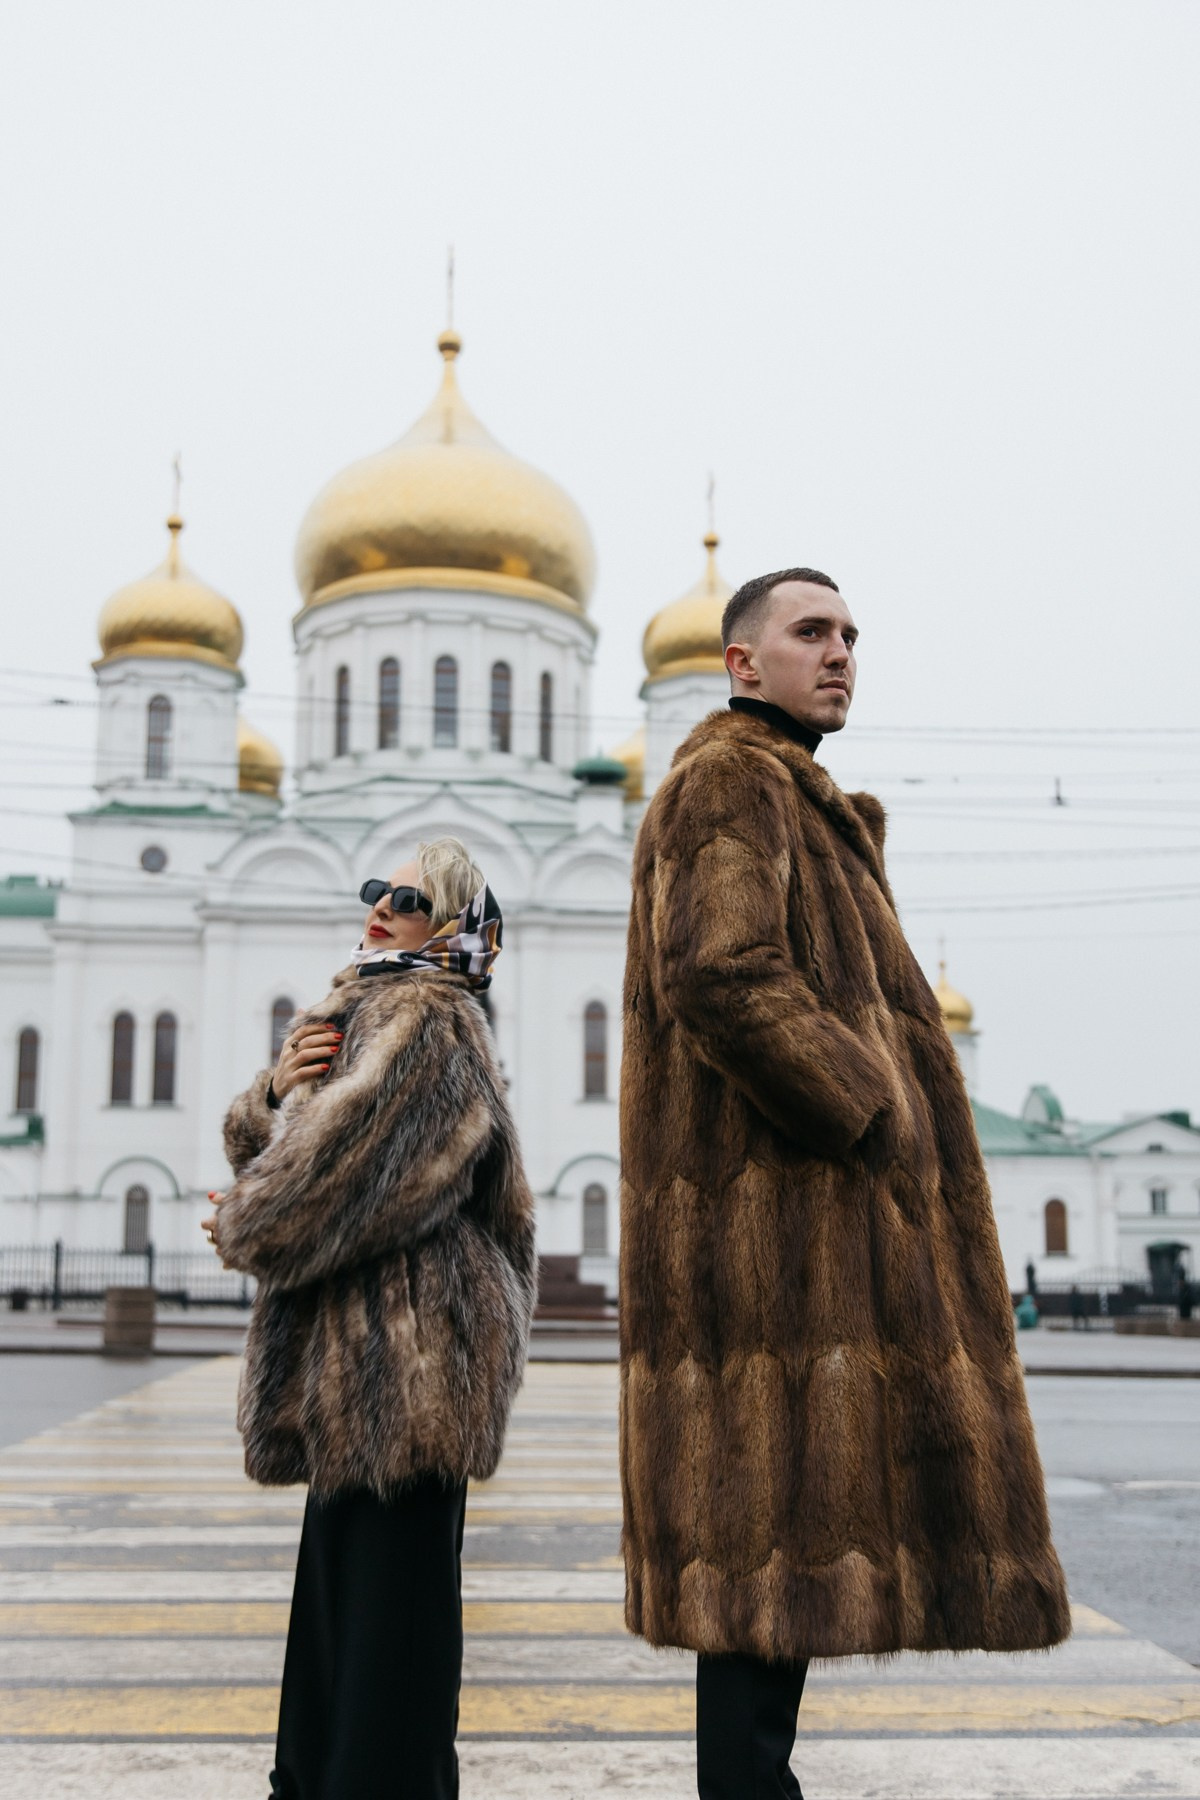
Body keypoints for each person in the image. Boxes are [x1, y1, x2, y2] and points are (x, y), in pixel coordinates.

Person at [619, 569, 1070, 1800]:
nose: (842, 654)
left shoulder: (794, 797)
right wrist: (870, 1108)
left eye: (852, 636)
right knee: (762, 1598)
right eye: (811, 632)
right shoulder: (732, 781)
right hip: (782, 1252)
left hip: (796, 1248)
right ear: (740, 663)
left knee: (776, 1598)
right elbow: (720, 972)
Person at [202, 837, 535, 1800]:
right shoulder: (370, 1012)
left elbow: (349, 1180)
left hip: (410, 1374)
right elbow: (299, 1143)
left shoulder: (431, 1021)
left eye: (408, 898)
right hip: (361, 1380)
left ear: (457, 930)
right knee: (342, 1634)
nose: (380, 907)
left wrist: (248, 1219)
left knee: (388, 1654)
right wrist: (273, 1093)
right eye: (376, 891)